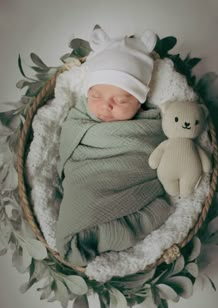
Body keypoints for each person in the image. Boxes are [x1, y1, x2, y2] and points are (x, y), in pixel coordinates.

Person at [56, 26, 172, 266]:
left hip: (126, 178)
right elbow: (68, 145)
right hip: (87, 178)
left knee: (157, 209)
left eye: (121, 100)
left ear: (140, 101)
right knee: (83, 199)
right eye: (96, 96)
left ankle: (109, 231)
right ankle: (86, 234)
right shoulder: (79, 116)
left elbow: (154, 153)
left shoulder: (150, 126)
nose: (105, 107)